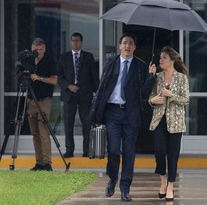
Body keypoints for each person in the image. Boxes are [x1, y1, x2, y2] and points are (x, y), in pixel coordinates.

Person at [91, 32, 156, 202]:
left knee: (129, 152)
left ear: (134, 47)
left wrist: (150, 77)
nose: (127, 46)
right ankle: (113, 179)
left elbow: (143, 93)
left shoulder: (141, 66)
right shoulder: (110, 63)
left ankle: (125, 188)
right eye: (125, 43)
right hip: (112, 113)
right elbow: (102, 87)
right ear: (120, 46)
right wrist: (96, 113)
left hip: (130, 114)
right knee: (113, 150)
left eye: (131, 43)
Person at [149, 46, 189, 201]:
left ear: (172, 60)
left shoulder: (182, 78)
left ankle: (171, 186)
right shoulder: (157, 77)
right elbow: (150, 97)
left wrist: (171, 95)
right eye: (160, 57)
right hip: (159, 119)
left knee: (173, 155)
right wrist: (152, 101)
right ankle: (162, 181)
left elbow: (186, 99)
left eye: (164, 57)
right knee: (159, 151)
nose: (161, 60)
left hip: (176, 122)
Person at [58, 32, 99, 158]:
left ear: (81, 42)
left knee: (86, 123)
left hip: (85, 95)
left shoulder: (88, 57)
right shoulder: (64, 57)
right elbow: (59, 77)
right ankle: (69, 150)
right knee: (68, 124)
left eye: (77, 40)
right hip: (69, 95)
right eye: (73, 40)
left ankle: (86, 150)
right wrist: (68, 86)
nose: (75, 42)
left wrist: (96, 92)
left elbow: (94, 76)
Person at [25, 38, 58, 171]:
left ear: (44, 49)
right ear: (32, 49)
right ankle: (39, 162)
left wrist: (39, 78)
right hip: (31, 100)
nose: (38, 52)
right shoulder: (28, 61)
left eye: (40, 49)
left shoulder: (50, 61)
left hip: (44, 100)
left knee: (44, 130)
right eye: (36, 49)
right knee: (35, 133)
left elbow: (54, 80)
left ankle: (47, 162)